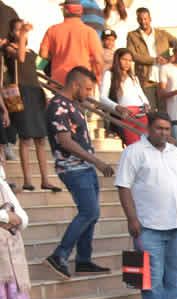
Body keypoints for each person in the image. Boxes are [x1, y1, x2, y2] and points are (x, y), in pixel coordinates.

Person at [115, 111, 177, 299]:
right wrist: (132, 219)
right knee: (150, 273)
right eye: (159, 128)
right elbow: (123, 187)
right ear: (148, 128)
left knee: (176, 270)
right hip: (147, 225)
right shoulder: (134, 152)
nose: (163, 133)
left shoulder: (176, 153)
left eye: (167, 129)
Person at [44, 65, 114, 280]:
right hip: (73, 168)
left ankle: (83, 259)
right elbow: (65, 141)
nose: (88, 94)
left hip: (84, 166)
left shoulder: (73, 104)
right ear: (75, 85)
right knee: (89, 212)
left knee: (92, 214)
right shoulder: (58, 105)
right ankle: (60, 255)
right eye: (87, 89)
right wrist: (98, 162)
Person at [4, 18, 59, 193]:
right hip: (21, 93)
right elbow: (20, 58)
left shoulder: (31, 50)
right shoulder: (8, 48)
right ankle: (28, 180)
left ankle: (45, 179)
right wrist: (23, 34)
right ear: (12, 32)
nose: (22, 32)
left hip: (36, 92)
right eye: (18, 30)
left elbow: (38, 67)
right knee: (26, 138)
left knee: (41, 139)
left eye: (23, 29)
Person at [0, 176, 33, 299]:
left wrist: (17, 219)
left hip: (9, 249)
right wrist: (6, 217)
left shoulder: (2, 183)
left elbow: (22, 215)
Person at [38, 0, 103, 86]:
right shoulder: (90, 32)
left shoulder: (53, 30)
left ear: (66, 10)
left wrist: (57, 54)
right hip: (81, 83)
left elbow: (43, 54)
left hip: (58, 81)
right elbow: (98, 60)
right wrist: (97, 79)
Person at [124, 7, 176, 109]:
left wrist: (171, 59)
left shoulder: (162, 34)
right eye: (140, 19)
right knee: (150, 111)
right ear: (137, 20)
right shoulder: (132, 35)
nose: (143, 22)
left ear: (150, 18)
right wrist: (154, 60)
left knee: (164, 111)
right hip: (146, 79)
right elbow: (132, 55)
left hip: (163, 79)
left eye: (145, 18)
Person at [98, 48, 148, 145]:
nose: (127, 63)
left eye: (129, 60)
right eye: (124, 59)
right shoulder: (110, 74)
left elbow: (141, 95)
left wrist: (147, 104)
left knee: (145, 144)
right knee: (132, 145)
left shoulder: (133, 77)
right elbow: (102, 97)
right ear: (117, 59)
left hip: (141, 112)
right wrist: (117, 107)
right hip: (126, 113)